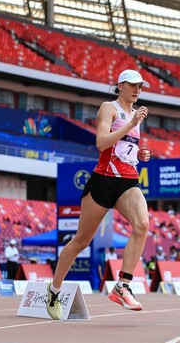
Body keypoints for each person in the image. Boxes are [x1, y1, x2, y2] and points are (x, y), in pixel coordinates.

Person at [46, 69, 151, 320]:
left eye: (140, 86)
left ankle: (122, 285)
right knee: (81, 241)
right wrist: (132, 123)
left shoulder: (134, 116)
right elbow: (102, 143)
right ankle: (54, 290)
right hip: (103, 181)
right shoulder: (109, 107)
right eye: (133, 85)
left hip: (127, 181)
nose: (137, 90)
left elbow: (123, 148)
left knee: (142, 224)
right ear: (120, 85)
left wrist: (138, 154)